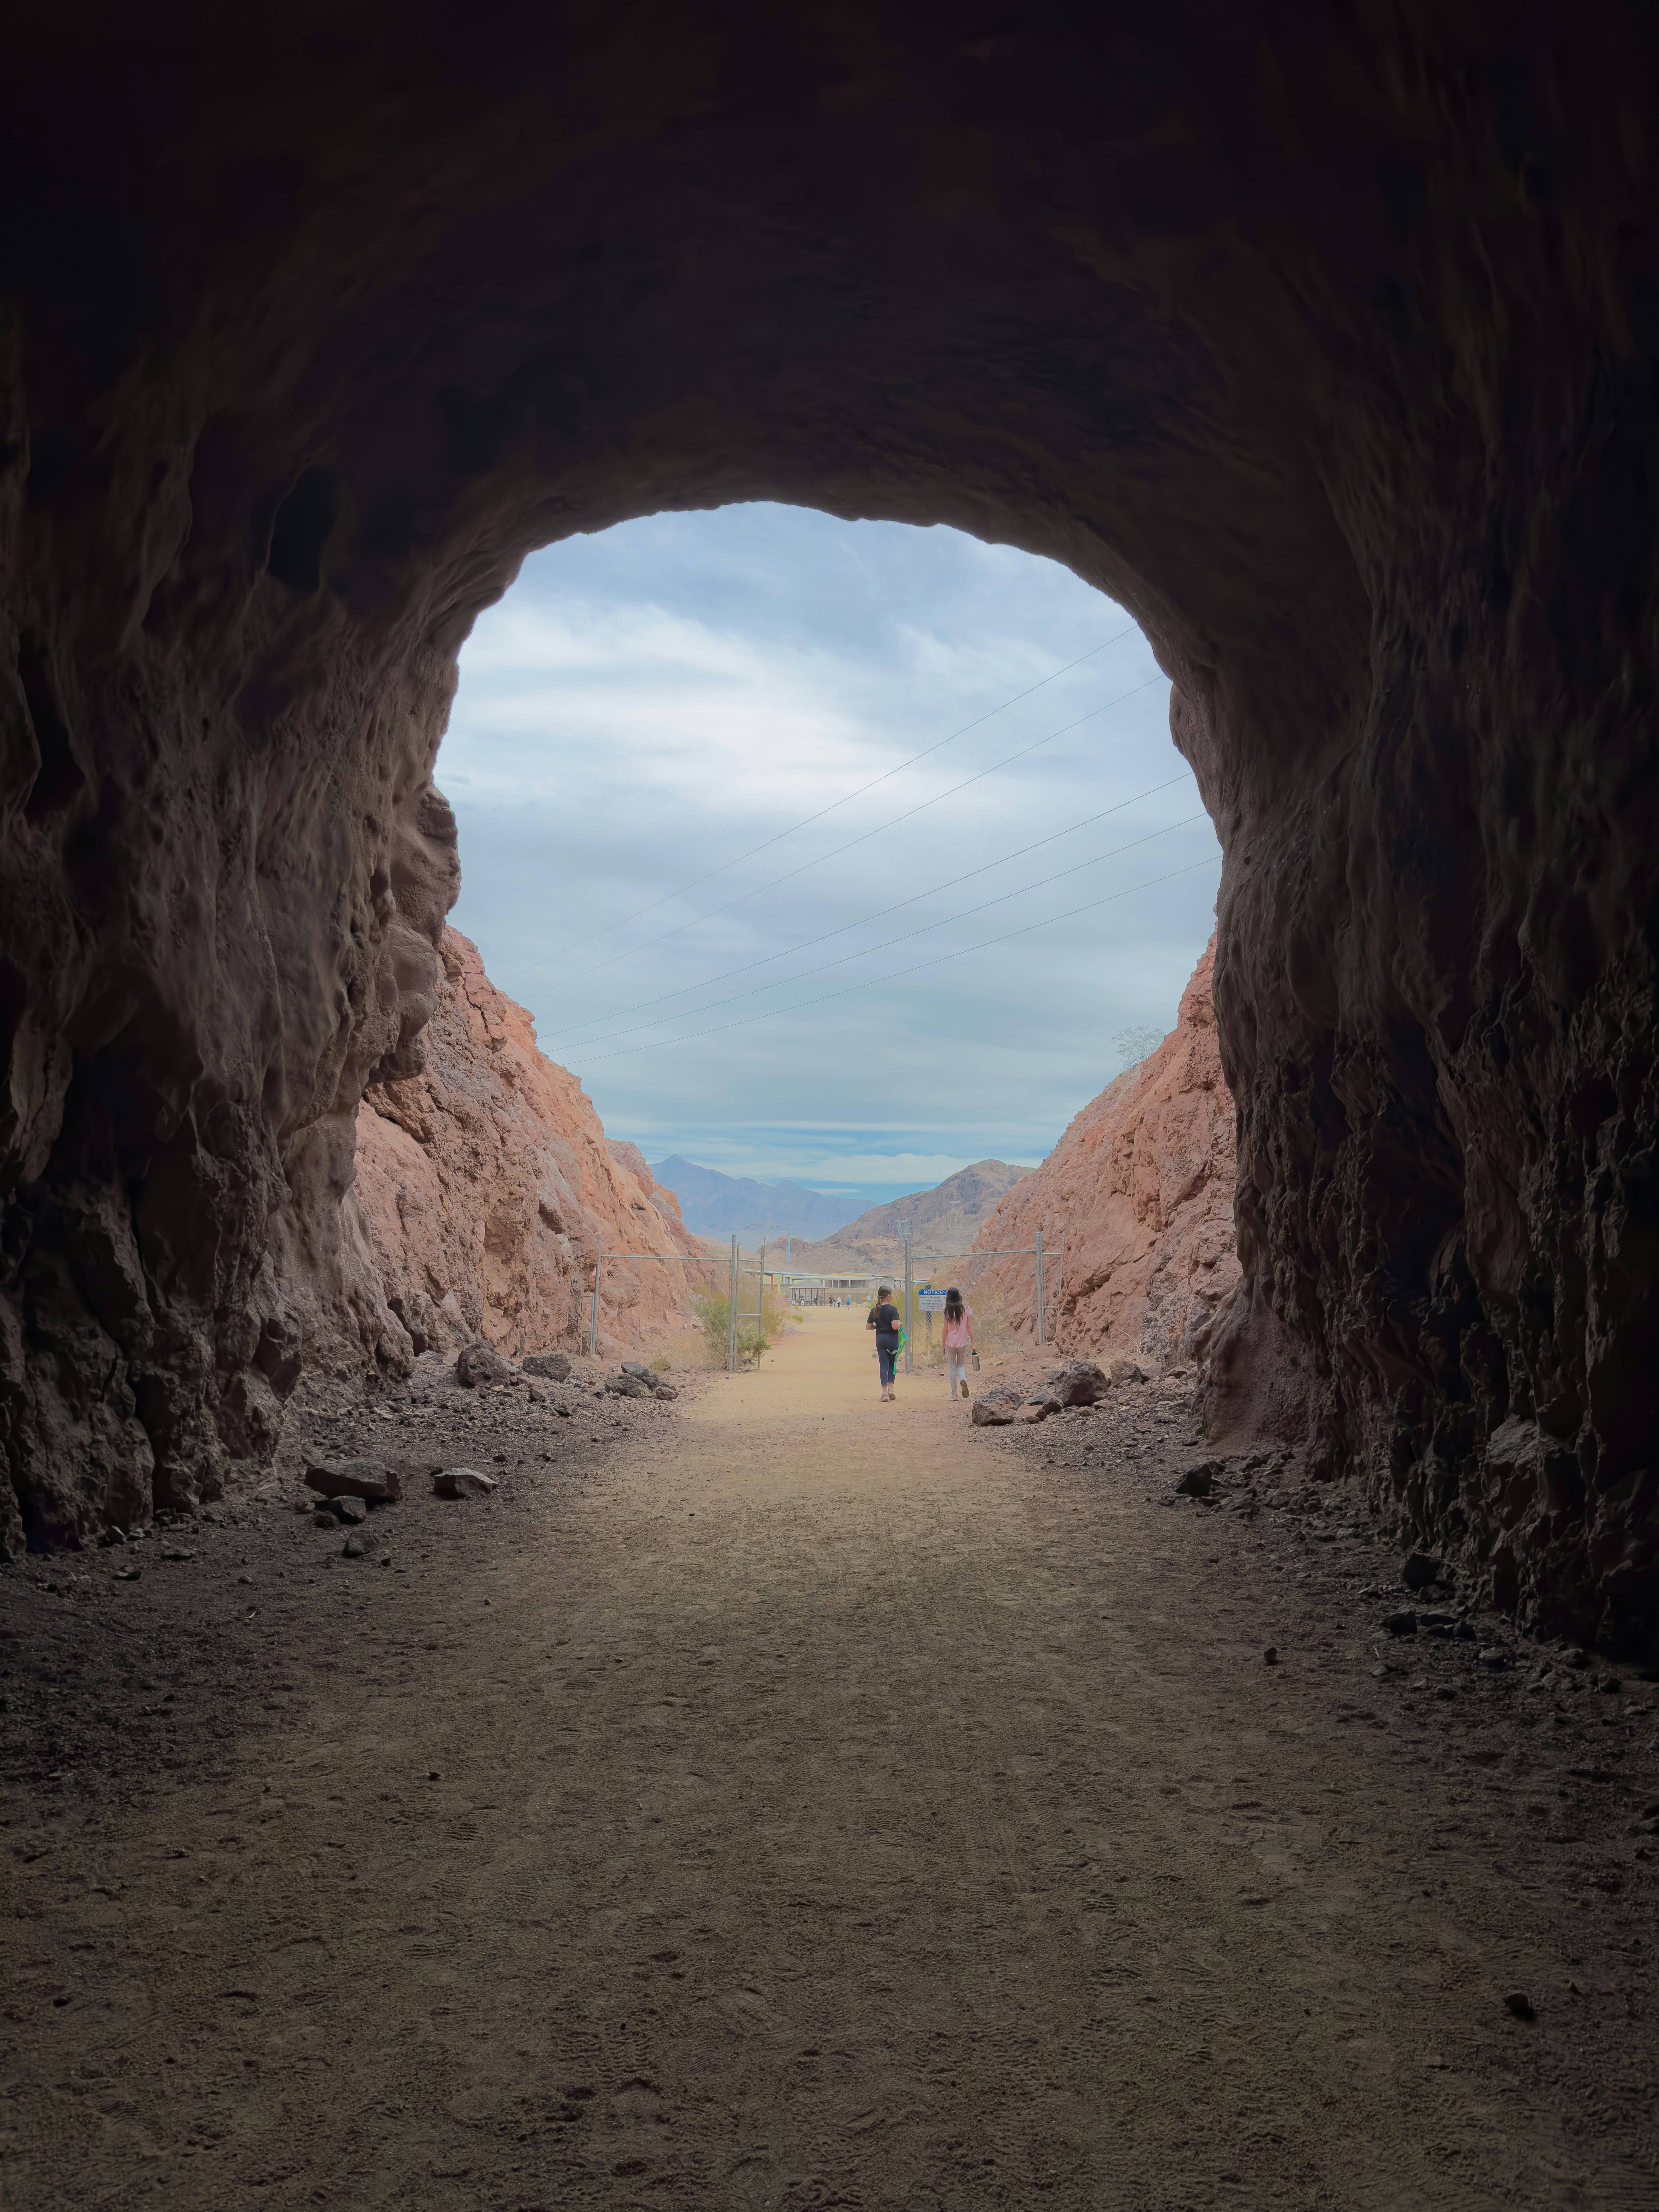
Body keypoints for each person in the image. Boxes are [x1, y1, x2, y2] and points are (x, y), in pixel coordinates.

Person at [866, 1284, 901, 1401]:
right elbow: (895, 1326)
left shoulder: (875, 1310)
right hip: (893, 1340)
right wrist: (900, 1324)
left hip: (881, 1340)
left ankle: (884, 1393)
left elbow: (868, 1327)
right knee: (893, 1364)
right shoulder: (893, 1309)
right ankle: (891, 1389)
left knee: (884, 1365)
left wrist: (878, 1327)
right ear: (888, 1296)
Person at [942, 1286, 975, 1400]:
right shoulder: (966, 1309)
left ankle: (954, 1394)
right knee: (960, 1365)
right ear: (959, 1296)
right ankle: (963, 1379)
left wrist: (943, 1346)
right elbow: (970, 1327)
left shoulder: (947, 1311)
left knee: (952, 1367)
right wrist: (973, 1343)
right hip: (963, 1342)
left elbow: (945, 1330)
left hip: (951, 1343)